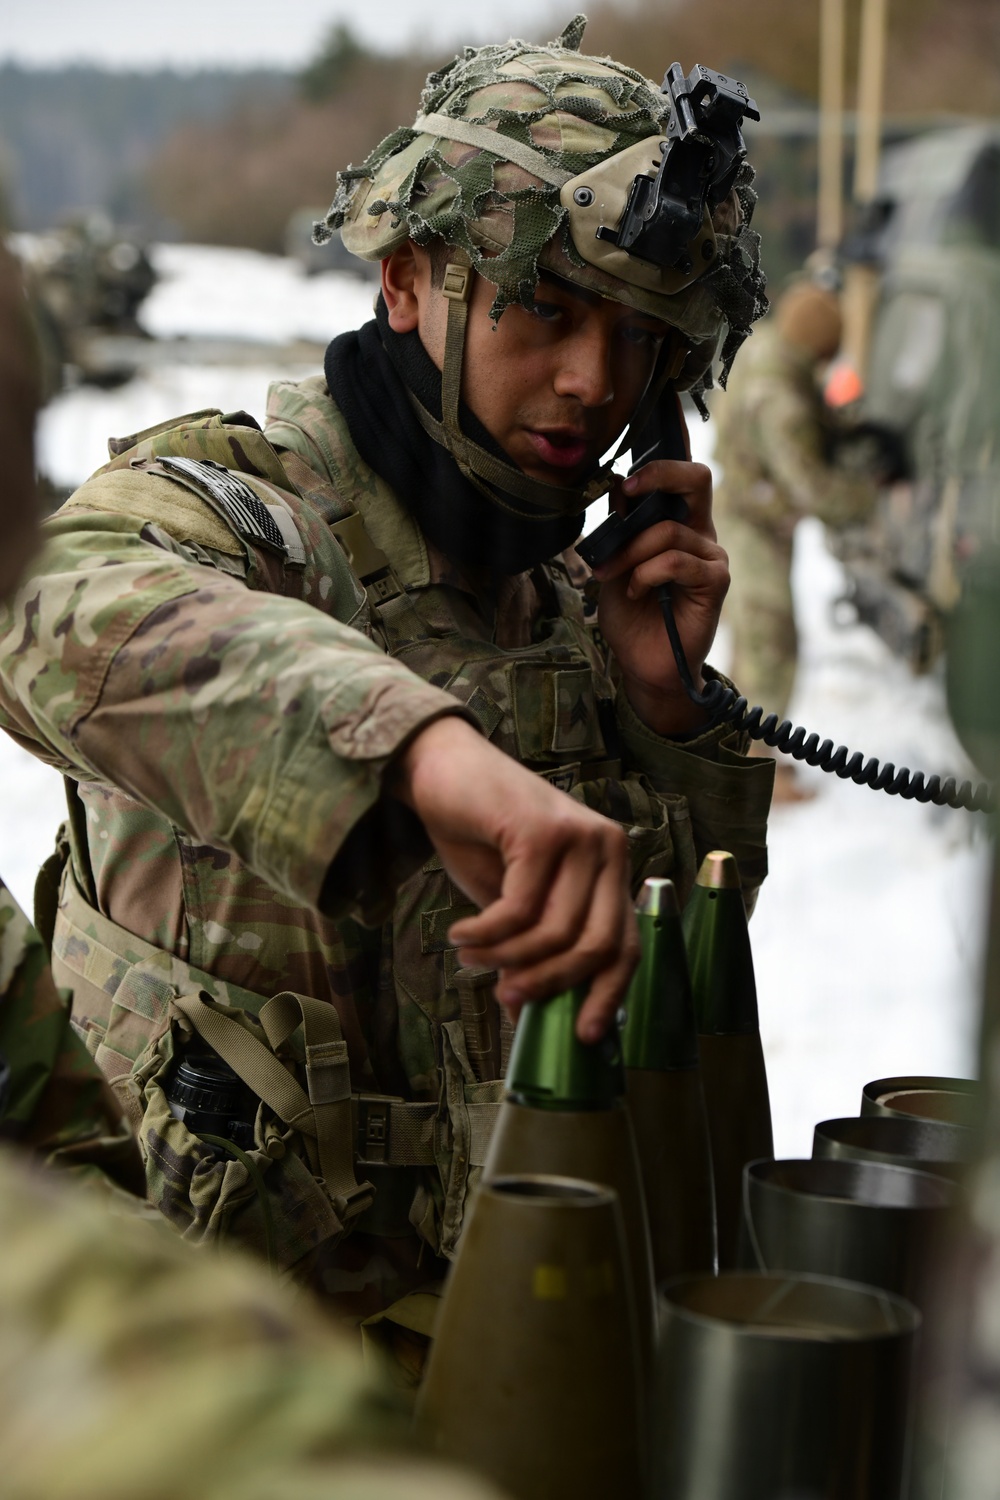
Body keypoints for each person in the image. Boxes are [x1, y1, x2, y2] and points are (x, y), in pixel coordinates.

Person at [0, 18, 773, 1321]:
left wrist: (665, 722)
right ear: (408, 281)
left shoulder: (572, 591)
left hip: (517, 1334)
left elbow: (653, 1020)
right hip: (218, 1357)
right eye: (546, 308)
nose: (592, 381)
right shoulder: (242, 518)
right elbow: (53, 609)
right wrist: (416, 751)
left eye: (638, 335)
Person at [712, 277, 879, 802]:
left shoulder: (767, 351)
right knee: (771, 642)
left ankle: (739, 747)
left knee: (754, 643)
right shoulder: (780, 395)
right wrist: (872, 498)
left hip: (747, 511)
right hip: (753, 524)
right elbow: (811, 485)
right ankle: (756, 764)